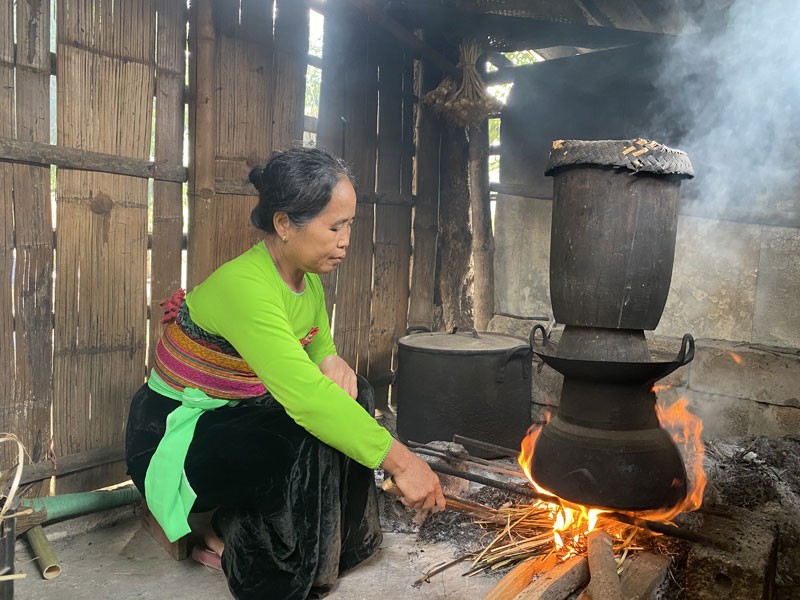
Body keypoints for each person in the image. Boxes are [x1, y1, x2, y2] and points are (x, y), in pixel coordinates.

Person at [125, 146, 445, 599]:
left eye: (349, 224)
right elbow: (307, 399)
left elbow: (318, 349)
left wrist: (332, 359)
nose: (345, 239)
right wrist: (404, 462)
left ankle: (336, 548)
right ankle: (255, 556)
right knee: (293, 433)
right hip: (172, 433)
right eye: (334, 226)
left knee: (358, 395)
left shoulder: (307, 278)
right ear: (283, 225)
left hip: (237, 411)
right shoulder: (247, 287)